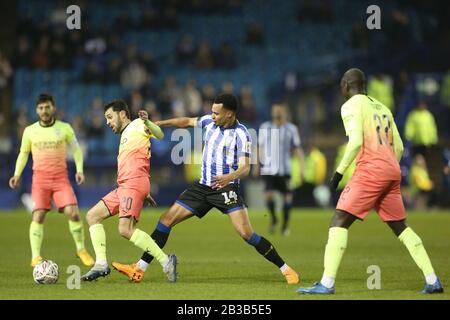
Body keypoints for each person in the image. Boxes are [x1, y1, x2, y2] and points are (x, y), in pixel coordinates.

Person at [112, 94, 300, 284]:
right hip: (202, 188)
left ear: (229, 114)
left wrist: (229, 177)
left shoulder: (241, 134)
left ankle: (286, 269)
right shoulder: (209, 122)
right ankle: (139, 268)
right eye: (212, 112)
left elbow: (245, 167)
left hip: (226, 189)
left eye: (216, 113)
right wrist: (159, 122)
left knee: (246, 234)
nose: (212, 115)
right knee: (165, 220)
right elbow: (186, 121)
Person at [297, 68, 443, 295]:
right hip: (392, 170)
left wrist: (337, 173)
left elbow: (355, 141)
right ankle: (432, 279)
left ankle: (326, 283)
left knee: (339, 221)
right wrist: (388, 168)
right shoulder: (383, 107)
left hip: (371, 171)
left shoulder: (351, 105)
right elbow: (401, 146)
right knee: (400, 227)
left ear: (346, 85)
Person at [80, 100, 177, 282]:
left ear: (122, 114)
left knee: (125, 229)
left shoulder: (138, 125)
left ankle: (166, 261)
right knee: (92, 216)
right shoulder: (126, 134)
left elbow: (160, 134)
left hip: (133, 184)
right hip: (126, 186)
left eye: (110, 117)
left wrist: (148, 122)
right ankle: (101, 264)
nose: (108, 122)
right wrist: (143, 191)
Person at [9, 93, 94, 267]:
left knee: (74, 212)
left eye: (47, 107)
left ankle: (81, 249)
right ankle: (35, 257)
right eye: (41, 108)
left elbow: (76, 150)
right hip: (40, 180)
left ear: (53, 108)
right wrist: (17, 174)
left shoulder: (65, 128)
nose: (44, 111)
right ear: (36, 110)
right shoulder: (30, 131)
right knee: (38, 215)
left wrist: (79, 170)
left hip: (60, 179)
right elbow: (23, 153)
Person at [252, 103, 304, 235]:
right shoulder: (265, 127)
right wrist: (256, 165)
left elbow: (297, 148)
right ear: (272, 112)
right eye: (275, 110)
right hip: (269, 169)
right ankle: (274, 219)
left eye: (280, 110)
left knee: (287, 198)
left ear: (284, 112)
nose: (278, 112)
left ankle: (285, 226)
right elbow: (259, 147)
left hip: (285, 169)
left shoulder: (291, 129)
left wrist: (302, 167)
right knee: (268, 196)